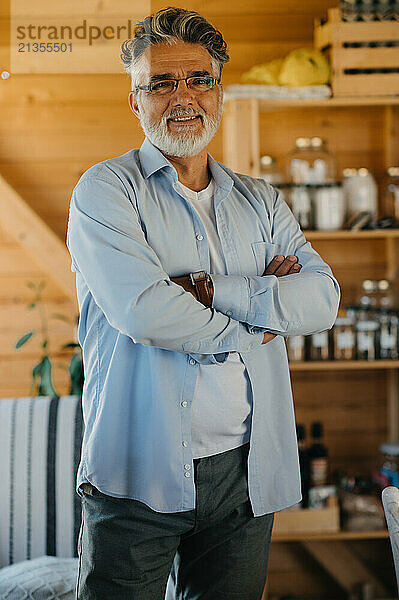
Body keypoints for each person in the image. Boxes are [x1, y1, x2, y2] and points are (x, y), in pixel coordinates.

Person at [66, 7, 340, 600]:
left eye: (198, 80)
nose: (181, 97)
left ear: (220, 93)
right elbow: (146, 312)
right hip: (134, 473)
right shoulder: (104, 191)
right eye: (160, 83)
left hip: (246, 470)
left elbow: (322, 299)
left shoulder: (260, 201)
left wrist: (217, 292)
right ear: (134, 100)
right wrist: (263, 318)